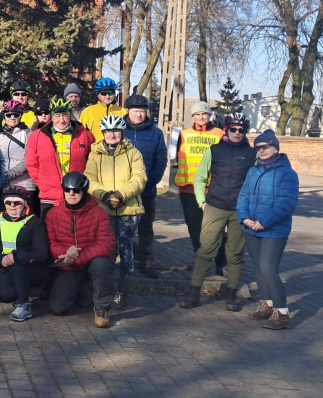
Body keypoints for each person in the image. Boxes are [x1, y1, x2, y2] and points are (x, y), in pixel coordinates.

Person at [179, 112, 257, 311]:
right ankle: (193, 293)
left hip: (240, 211)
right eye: (233, 129)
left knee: (236, 254)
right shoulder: (214, 150)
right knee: (205, 250)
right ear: (226, 130)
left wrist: (253, 208)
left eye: (241, 130)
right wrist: (202, 202)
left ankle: (231, 294)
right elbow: (199, 178)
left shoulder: (252, 154)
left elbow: (257, 184)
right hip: (215, 207)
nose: (237, 133)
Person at [237, 129, 299, 330]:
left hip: (274, 229)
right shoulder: (253, 170)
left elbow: (286, 203)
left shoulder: (287, 173)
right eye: (258, 148)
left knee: (268, 268)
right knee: (258, 267)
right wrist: (244, 217)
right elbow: (243, 196)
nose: (261, 151)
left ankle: (282, 314)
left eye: (265, 147)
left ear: (275, 147)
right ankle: (267, 305)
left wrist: (263, 221)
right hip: (251, 227)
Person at [84, 114, 147, 309]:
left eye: (116, 131)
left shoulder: (133, 153)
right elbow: (89, 178)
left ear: (122, 132)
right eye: (109, 131)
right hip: (104, 208)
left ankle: (123, 289)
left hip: (128, 208)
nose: (113, 134)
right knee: (106, 249)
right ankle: (104, 288)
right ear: (103, 133)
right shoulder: (95, 154)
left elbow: (139, 178)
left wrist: (121, 194)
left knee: (125, 248)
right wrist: (103, 195)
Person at [45, 172, 117, 327]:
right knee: (57, 308)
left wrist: (79, 256)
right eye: (67, 190)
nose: (71, 194)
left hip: (92, 262)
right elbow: (51, 243)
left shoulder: (99, 213)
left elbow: (107, 243)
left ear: (84, 191)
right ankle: (84, 291)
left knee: (101, 264)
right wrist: (64, 252)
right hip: (70, 267)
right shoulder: (52, 214)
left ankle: (101, 308)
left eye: (76, 190)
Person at [0, 186, 50, 321]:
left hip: (30, 269)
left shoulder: (35, 223)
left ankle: (23, 305)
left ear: (25, 204)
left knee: (17, 264)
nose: (12, 205)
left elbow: (42, 253)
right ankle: (19, 292)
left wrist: (16, 256)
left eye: (17, 202)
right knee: (4, 295)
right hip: (5, 267)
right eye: (9, 202)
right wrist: (0, 259)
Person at [174, 101, 225, 273]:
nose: (201, 117)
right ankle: (200, 260)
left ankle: (221, 263)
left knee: (216, 229)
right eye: (197, 114)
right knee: (194, 227)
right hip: (188, 189)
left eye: (204, 113)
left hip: (213, 189)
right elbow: (175, 157)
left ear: (210, 115)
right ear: (192, 117)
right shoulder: (183, 133)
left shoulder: (219, 134)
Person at [25, 97, 95, 218]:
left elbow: (93, 163)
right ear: (51, 117)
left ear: (70, 116)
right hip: (49, 196)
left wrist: (84, 184)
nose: (61, 120)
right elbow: (31, 164)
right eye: (57, 116)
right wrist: (42, 183)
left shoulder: (85, 135)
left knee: (76, 234)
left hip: (76, 194)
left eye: (65, 116)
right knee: (48, 234)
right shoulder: (37, 136)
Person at [122, 93, 168, 277]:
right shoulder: (119, 129)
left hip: (146, 191)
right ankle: (121, 261)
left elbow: (161, 159)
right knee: (121, 227)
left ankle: (146, 263)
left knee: (146, 228)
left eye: (142, 111)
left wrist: (151, 181)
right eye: (135, 111)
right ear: (128, 111)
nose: (139, 115)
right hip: (122, 190)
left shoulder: (155, 133)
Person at [0, 99, 35, 211]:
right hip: (3, 186)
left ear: (20, 116)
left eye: (16, 115)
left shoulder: (28, 134)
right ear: (4, 116)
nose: (12, 118)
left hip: (24, 184)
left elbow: (29, 159)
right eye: (9, 115)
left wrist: (8, 175)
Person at [80, 77, 126, 142]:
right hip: (95, 150)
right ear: (97, 94)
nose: (107, 96)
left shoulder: (122, 111)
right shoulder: (87, 112)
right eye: (103, 93)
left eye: (110, 93)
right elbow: (80, 135)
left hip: (117, 150)